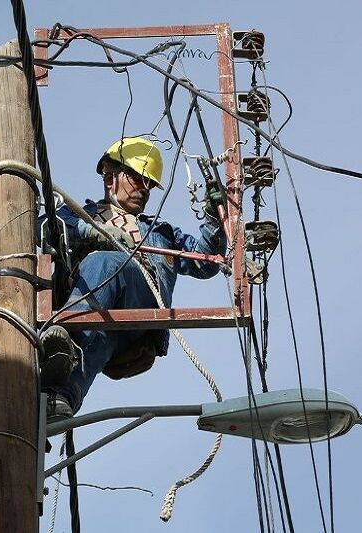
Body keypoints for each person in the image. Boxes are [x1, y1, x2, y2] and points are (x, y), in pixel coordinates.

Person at [39, 137, 227, 421]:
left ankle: (65, 332)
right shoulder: (80, 216)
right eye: (138, 178)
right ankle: (56, 400)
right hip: (100, 312)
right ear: (110, 176)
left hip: (140, 309)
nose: (145, 189)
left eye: (149, 183)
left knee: (103, 262)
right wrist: (92, 232)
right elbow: (41, 228)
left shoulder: (161, 232)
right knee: (95, 341)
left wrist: (215, 218)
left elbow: (205, 262)